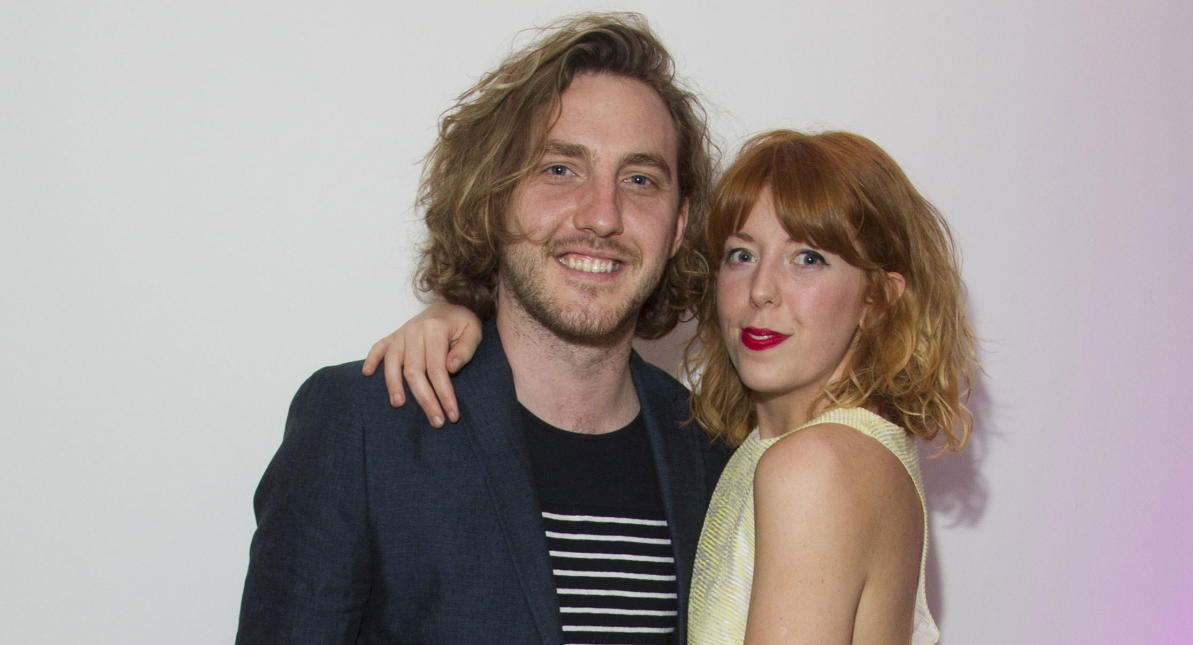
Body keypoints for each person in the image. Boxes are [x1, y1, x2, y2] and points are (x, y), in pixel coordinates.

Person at [236, 13, 730, 644]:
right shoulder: (364, 426)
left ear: (680, 223)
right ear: (495, 193)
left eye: (639, 180)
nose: (602, 216)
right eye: (561, 168)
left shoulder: (710, 451)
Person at [370, 130, 977, 643]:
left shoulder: (815, 466)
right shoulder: (806, 454)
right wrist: (458, 316)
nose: (762, 289)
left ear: (878, 298)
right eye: (742, 255)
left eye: (809, 258)